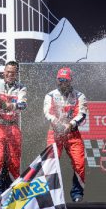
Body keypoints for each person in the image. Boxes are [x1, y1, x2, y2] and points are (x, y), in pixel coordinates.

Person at [43, 67, 88, 202]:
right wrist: (57, 123)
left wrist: (71, 124)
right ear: (57, 80)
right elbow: (48, 113)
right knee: (50, 163)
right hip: (55, 133)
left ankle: (77, 194)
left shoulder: (79, 96)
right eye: (60, 80)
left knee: (79, 164)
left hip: (73, 134)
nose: (62, 83)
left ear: (70, 81)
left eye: (65, 81)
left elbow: (82, 113)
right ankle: (50, 195)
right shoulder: (50, 95)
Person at [0, 61, 27, 197]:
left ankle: (14, 193)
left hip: (13, 126)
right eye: (7, 72)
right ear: (4, 72)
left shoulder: (21, 88)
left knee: (15, 162)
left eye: (13, 73)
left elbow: (23, 105)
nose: (10, 74)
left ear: (16, 74)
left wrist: (12, 105)